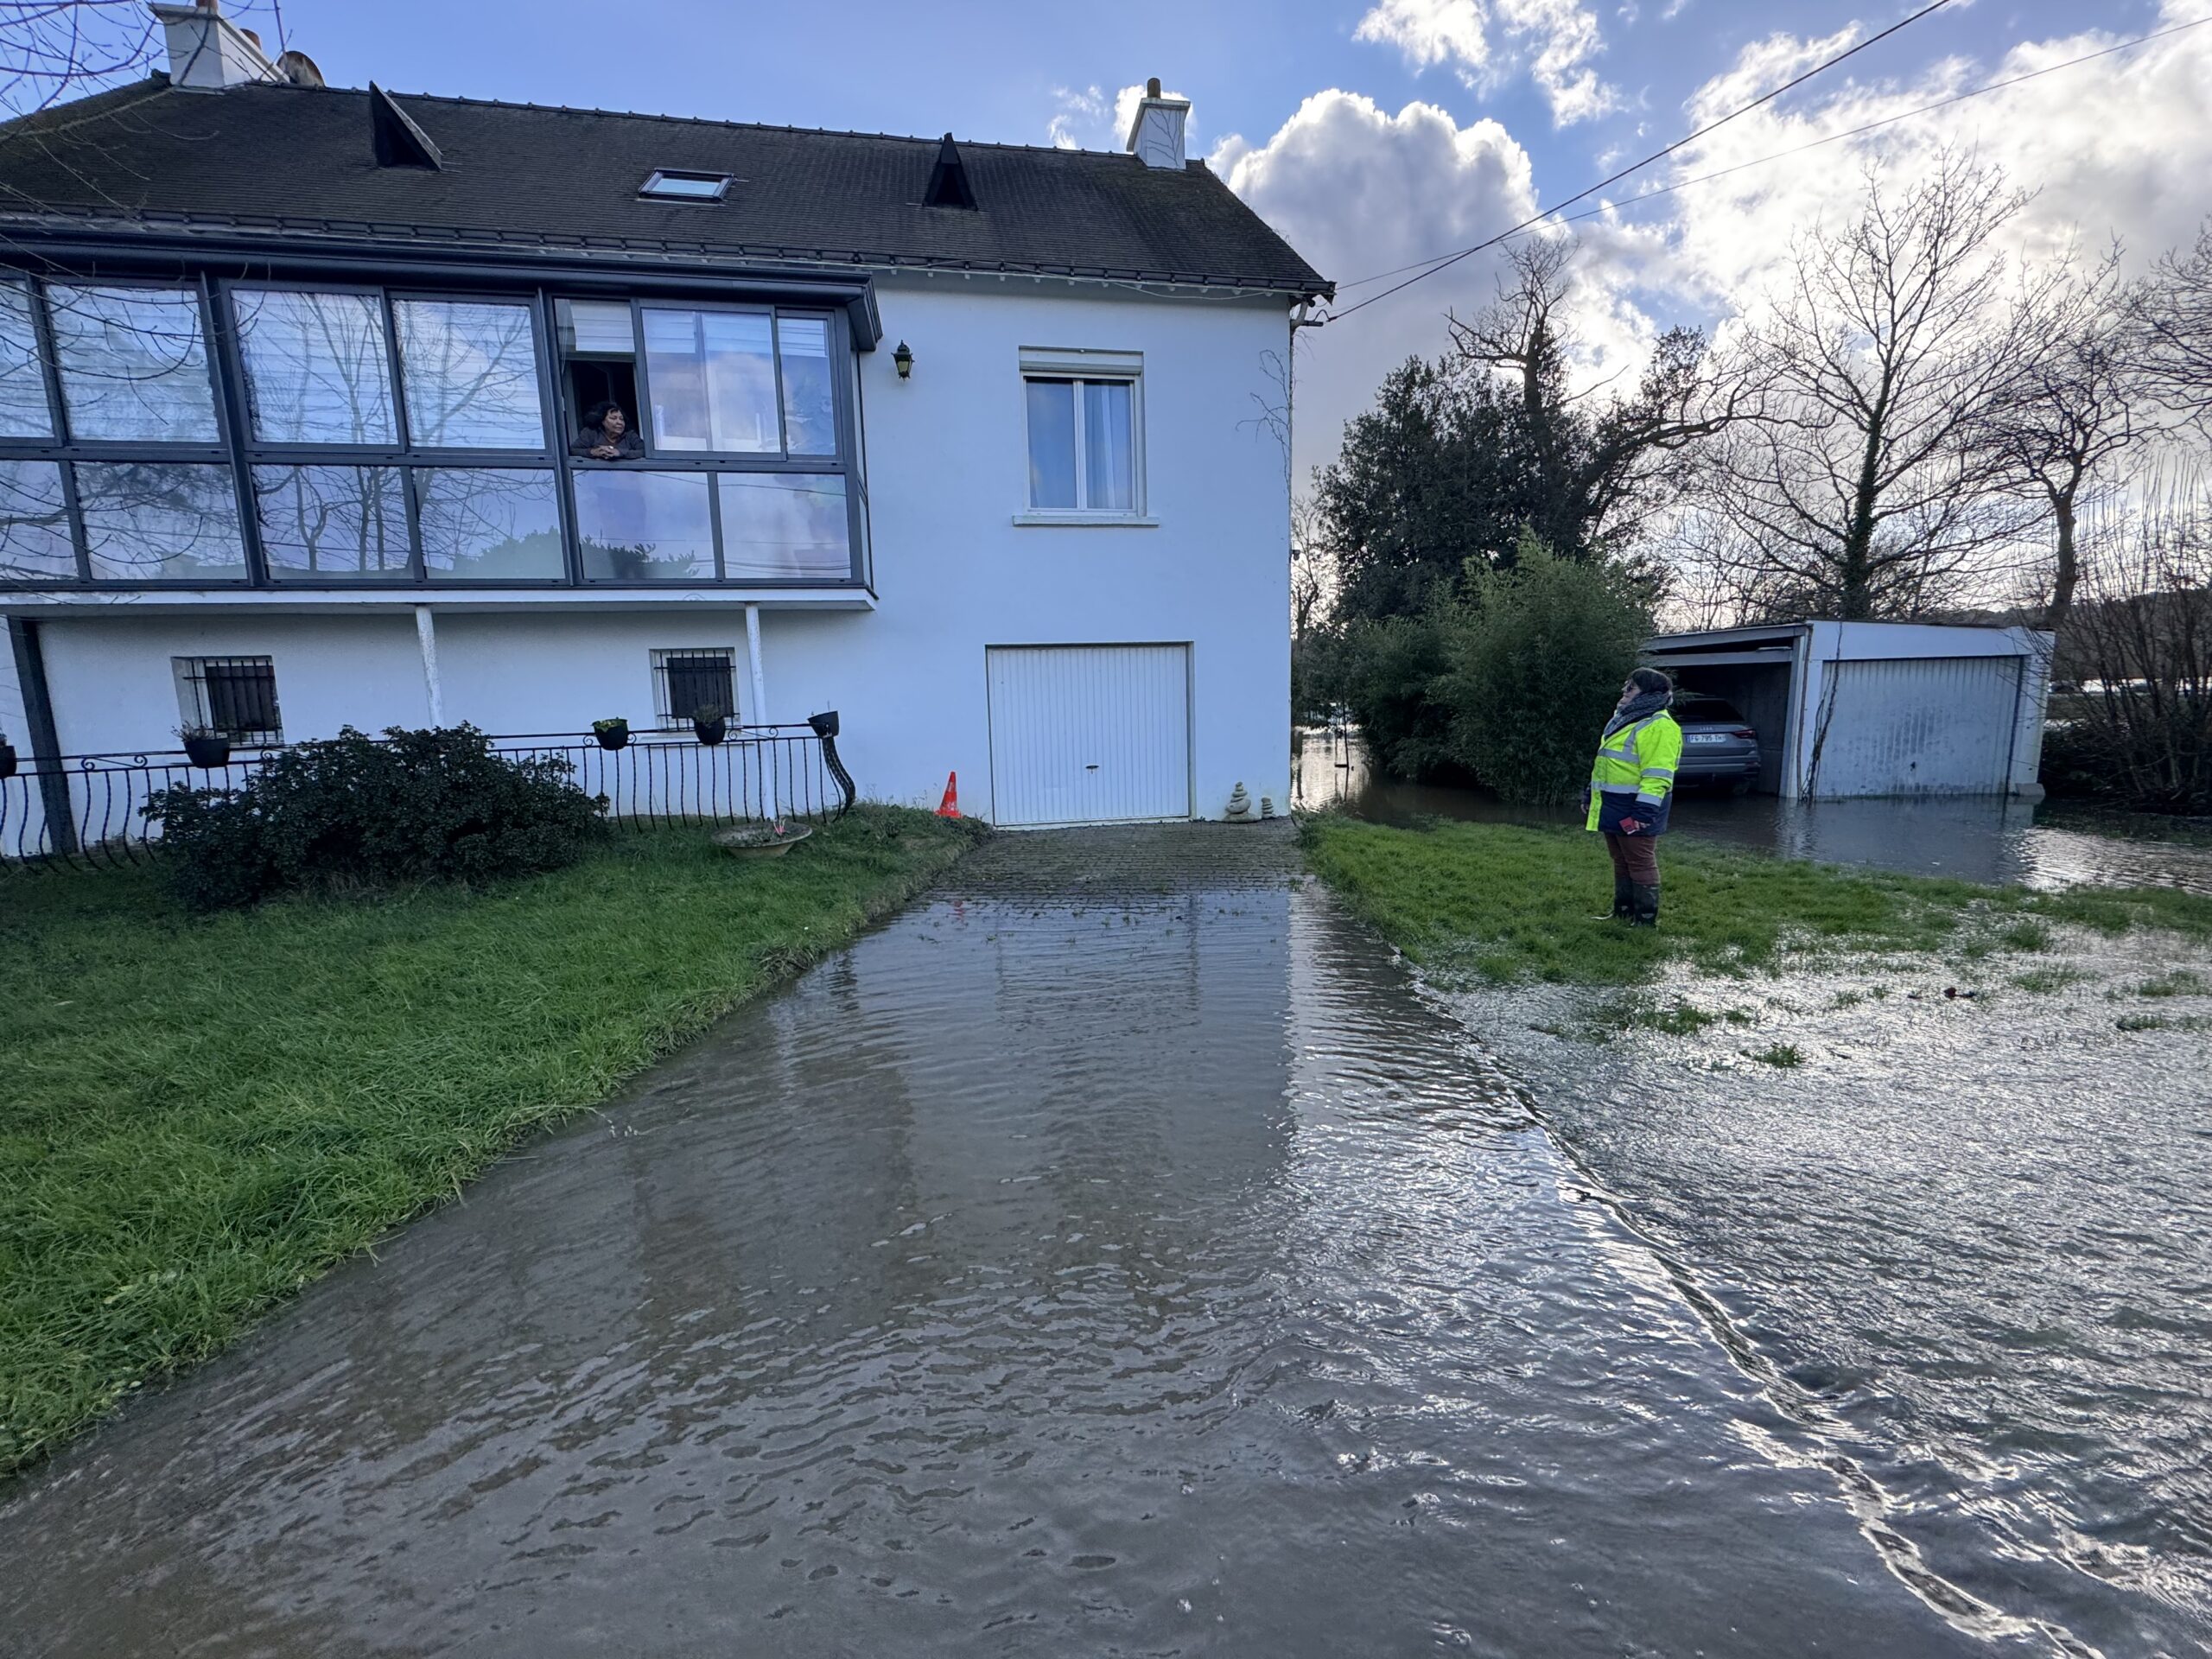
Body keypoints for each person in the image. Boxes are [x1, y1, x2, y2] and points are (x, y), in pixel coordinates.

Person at [1586, 666, 1682, 926]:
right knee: (1621, 859)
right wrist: (1590, 793)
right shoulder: (1625, 719)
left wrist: (1644, 812)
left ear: (1648, 693)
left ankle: (1645, 921)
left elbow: (1658, 775)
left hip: (1638, 806)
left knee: (1640, 861)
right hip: (1614, 803)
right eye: (1626, 685)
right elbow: (1607, 763)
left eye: (1632, 686)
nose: (1624, 690)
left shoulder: (1659, 726)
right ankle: (1623, 913)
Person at [569, 400, 643, 460]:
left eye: (621, 419)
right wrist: (593, 452)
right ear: (602, 420)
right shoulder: (591, 433)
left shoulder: (630, 435)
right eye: (613, 418)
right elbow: (574, 450)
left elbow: (644, 451)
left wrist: (619, 452)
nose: (619, 422)